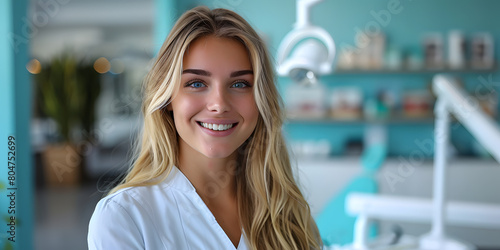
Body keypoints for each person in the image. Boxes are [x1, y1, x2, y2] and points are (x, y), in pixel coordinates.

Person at [88, 6, 322, 250]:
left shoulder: (286, 212)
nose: (219, 105)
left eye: (240, 83)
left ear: (261, 100)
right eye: (197, 83)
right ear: (168, 98)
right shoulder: (124, 217)